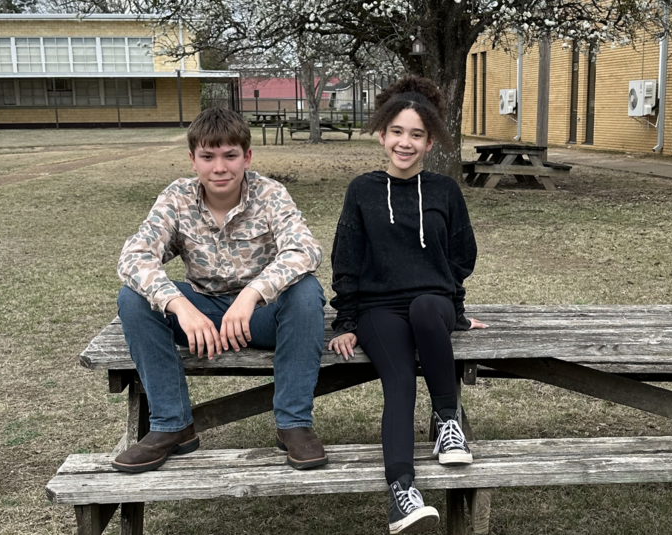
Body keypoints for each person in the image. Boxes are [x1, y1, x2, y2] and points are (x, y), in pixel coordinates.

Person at [113, 108, 328, 473]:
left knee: (307, 291)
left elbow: (305, 250)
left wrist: (252, 294)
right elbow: (134, 257)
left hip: (260, 317)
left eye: (230, 156)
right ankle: (171, 424)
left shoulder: (270, 194)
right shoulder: (177, 197)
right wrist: (179, 305)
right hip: (202, 317)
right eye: (208, 157)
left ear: (247, 157)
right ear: (192, 159)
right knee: (131, 297)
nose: (219, 168)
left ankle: (294, 423)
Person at [328, 77, 487, 534]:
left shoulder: (444, 190)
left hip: (432, 304)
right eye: (397, 131)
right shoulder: (362, 190)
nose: (405, 142)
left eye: (416, 134)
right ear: (382, 134)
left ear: (429, 142)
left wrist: (457, 313)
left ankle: (448, 423)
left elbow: (461, 256)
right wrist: (347, 321)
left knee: (424, 309)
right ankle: (402, 493)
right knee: (398, 382)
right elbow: (346, 259)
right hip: (378, 310)